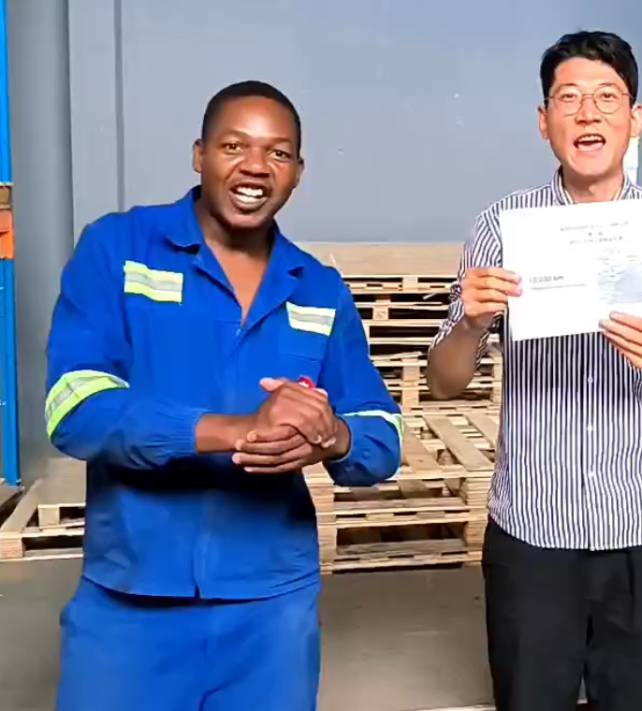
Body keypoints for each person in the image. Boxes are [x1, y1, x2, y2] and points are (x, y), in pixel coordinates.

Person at [46, 80, 402, 711]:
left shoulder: (318, 289)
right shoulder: (119, 250)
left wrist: (334, 434)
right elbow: (75, 406)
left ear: (297, 172)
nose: (256, 167)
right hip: (132, 602)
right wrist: (232, 430)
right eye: (235, 146)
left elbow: (381, 433)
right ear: (200, 155)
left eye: (278, 153)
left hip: (272, 610)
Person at [427, 30, 642, 711]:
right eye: (568, 99)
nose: (588, 114)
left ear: (636, 117)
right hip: (533, 530)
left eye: (607, 98)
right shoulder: (503, 227)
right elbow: (444, 382)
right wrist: (470, 322)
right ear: (544, 121)